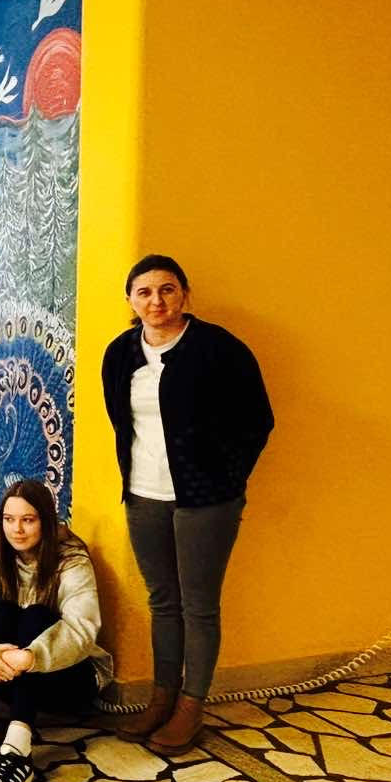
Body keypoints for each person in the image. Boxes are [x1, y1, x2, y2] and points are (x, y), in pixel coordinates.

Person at [102, 254, 273, 755]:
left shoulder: (218, 349)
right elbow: (121, 421)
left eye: (167, 290)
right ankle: (162, 696)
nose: (156, 301)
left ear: (185, 295)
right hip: (143, 494)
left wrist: (227, 477)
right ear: (130, 300)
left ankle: (190, 707)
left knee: (199, 606)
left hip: (205, 500)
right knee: (163, 601)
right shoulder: (120, 354)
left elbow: (257, 420)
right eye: (144, 292)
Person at [0, 481, 112, 782]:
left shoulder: (71, 560)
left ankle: (17, 753)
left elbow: (81, 628)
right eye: (9, 519)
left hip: (69, 679)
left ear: (46, 521)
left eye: (28, 520)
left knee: (36, 615)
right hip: (10, 676)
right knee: (5, 612)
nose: (17, 529)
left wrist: (29, 657)